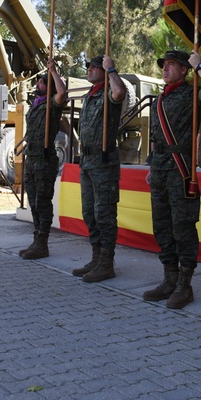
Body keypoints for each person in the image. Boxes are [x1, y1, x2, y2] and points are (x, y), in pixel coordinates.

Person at [142, 49, 201, 309]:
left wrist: (199, 66)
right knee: (162, 227)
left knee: (183, 228)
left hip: (181, 171)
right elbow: (156, 137)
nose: (165, 69)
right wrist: (152, 166)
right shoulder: (159, 100)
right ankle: (169, 280)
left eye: (171, 65)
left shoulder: (193, 93)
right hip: (160, 170)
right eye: (164, 65)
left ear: (184, 70)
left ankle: (185, 286)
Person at [70, 55, 128, 281]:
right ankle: (96, 257)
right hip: (87, 161)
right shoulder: (90, 96)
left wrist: (111, 68)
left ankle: (106, 263)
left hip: (104, 162)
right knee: (89, 213)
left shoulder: (109, 93)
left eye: (95, 67)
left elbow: (120, 93)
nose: (90, 69)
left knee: (104, 214)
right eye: (89, 67)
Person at [19, 58, 67, 260]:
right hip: (31, 157)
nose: (37, 85)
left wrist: (54, 72)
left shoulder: (51, 104)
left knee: (43, 202)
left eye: (40, 82)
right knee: (33, 202)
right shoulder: (36, 105)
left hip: (44, 159)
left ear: (48, 87)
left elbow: (62, 93)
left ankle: (43, 243)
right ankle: (36, 240)